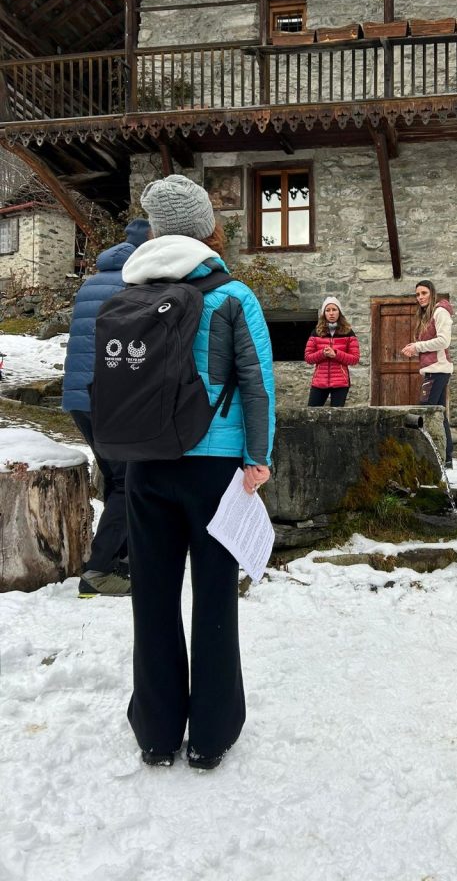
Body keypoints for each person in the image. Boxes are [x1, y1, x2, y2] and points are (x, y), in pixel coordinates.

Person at [121, 174, 275, 770]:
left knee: (152, 598)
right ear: (210, 227)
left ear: (155, 229)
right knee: (215, 598)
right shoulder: (232, 296)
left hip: (146, 467)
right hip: (215, 471)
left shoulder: (125, 291)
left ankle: (157, 732)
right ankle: (210, 735)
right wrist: (258, 457)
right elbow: (257, 385)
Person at [61, 218, 151, 598]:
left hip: (79, 397)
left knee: (119, 477)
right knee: (127, 482)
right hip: (111, 399)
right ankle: (98, 570)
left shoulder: (91, 282)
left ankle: (124, 558)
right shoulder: (136, 281)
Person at [401, 279, 454, 467]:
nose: (420, 297)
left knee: (427, 412)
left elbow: (443, 341)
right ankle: (445, 458)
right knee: (438, 413)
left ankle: (433, 457)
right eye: (417, 294)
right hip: (434, 370)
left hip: (438, 369)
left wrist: (417, 346)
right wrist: (416, 348)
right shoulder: (428, 315)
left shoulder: (440, 312)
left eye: (424, 293)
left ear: (432, 293)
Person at [304, 296, 360, 407]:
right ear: (324, 313)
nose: (331, 313)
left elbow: (355, 359)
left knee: (338, 418)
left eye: (334, 309)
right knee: (312, 414)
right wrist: (322, 354)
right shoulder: (316, 332)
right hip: (319, 382)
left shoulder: (348, 333)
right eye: (327, 310)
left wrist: (336, 354)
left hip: (341, 382)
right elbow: (308, 357)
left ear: (339, 312)